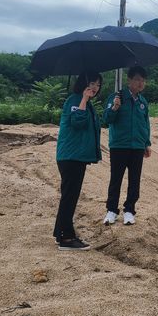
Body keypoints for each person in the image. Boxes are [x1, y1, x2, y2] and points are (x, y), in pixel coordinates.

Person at [53, 72, 103, 250]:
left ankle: (61, 233)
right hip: (71, 156)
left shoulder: (86, 103)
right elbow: (78, 122)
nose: (95, 88)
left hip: (76, 156)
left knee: (70, 195)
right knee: (69, 196)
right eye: (91, 83)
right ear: (82, 83)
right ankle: (66, 239)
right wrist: (83, 99)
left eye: (98, 84)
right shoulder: (75, 100)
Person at [102, 66, 152, 226]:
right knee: (116, 178)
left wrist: (147, 143)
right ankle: (111, 210)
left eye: (143, 81)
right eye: (137, 79)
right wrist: (115, 107)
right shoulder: (117, 97)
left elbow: (145, 124)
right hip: (119, 145)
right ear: (129, 80)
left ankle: (129, 210)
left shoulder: (142, 102)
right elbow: (107, 119)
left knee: (134, 179)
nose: (140, 83)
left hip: (137, 146)